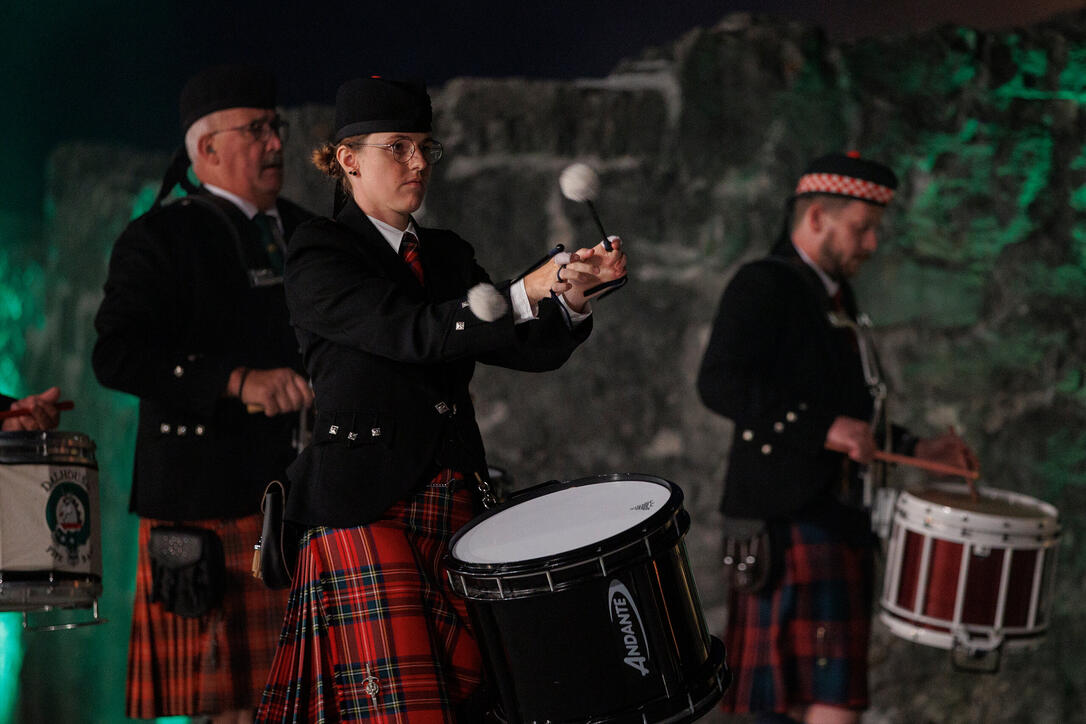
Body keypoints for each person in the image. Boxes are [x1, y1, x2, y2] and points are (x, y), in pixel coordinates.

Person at [256, 76, 627, 722]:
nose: (419, 163)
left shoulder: (448, 254)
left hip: (455, 505)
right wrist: (524, 289)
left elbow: (525, 348)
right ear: (348, 160)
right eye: (397, 148)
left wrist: (568, 292)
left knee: (472, 698)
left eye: (425, 147)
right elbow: (410, 332)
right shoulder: (320, 252)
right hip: (362, 504)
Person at [697, 152, 977, 724]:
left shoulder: (834, 299)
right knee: (781, 711)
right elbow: (718, 383)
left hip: (838, 518)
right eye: (863, 229)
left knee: (834, 705)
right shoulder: (765, 284)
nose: (872, 245)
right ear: (818, 217)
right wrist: (821, 428)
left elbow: (848, 409)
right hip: (786, 521)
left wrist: (919, 448)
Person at [93, 64, 314, 722]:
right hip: (208, 509)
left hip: (300, 499)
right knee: (232, 713)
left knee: (307, 699)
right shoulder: (161, 237)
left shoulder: (305, 233)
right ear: (207, 149)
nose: (276, 143)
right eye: (257, 130)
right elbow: (117, 353)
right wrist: (236, 381)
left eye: (277, 126)